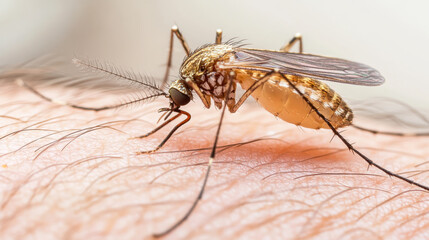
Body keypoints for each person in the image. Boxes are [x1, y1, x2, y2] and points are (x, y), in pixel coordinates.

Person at [0, 67, 428, 240]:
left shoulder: (206, 78)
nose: (176, 104)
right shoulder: (196, 76)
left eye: (176, 99)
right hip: (273, 79)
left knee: (274, 71)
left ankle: (369, 154)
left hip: (287, 84)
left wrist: (207, 165)